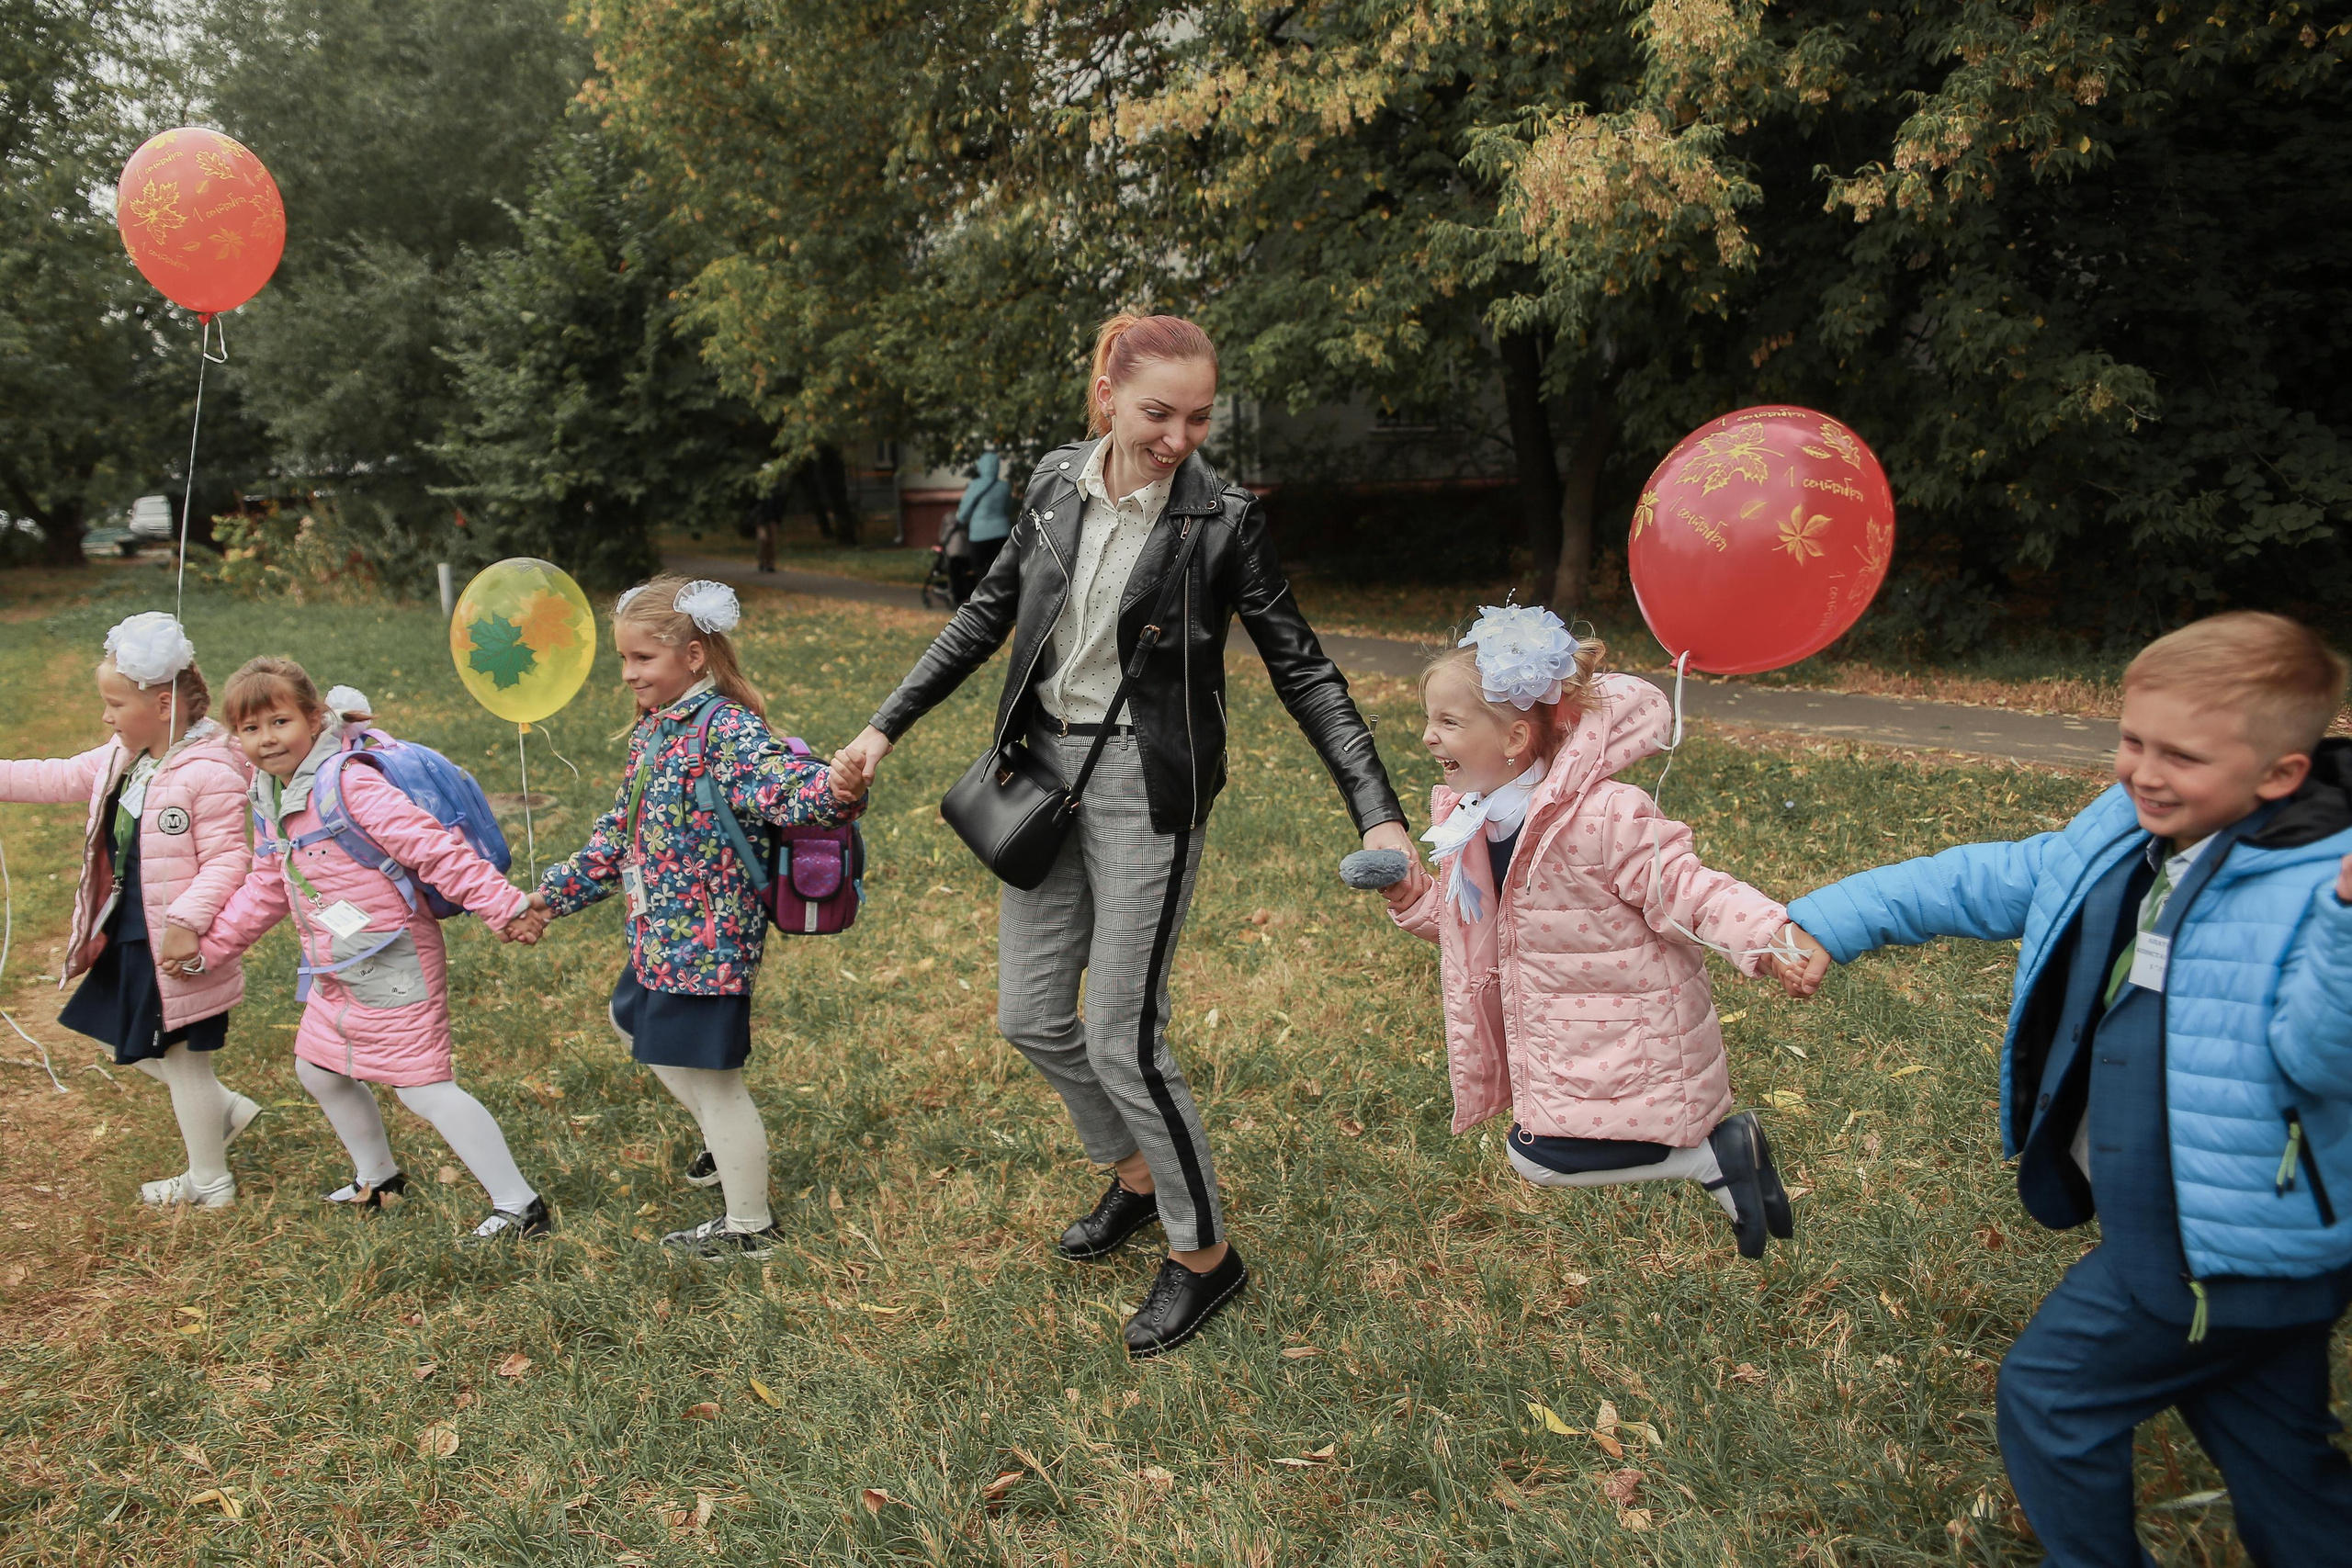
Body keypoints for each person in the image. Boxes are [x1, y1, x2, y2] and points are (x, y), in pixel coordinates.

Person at [831, 311, 1416, 1358]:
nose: (1179, 437)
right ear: (1106, 391)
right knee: (1027, 1016)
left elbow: (1305, 669)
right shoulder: (1056, 484)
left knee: (1121, 1034)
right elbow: (985, 616)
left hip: (1151, 786)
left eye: (1198, 417)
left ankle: (1204, 1257)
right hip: (1041, 772)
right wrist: (882, 729)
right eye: (1158, 412)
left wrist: (1379, 811)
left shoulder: (1221, 521)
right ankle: (1137, 1176)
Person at [1780, 612, 2352, 1567]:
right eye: (2131, 741)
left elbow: (2320, 1060)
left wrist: (2343, 924)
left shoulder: (2313, 889)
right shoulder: (2131, 829)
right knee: (2277, 1455)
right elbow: (2001, 878)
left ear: (2278, 776)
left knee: (2052, 1396)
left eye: (2183, 756)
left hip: (2216, 1248)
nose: (2144, 772)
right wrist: (1832, 918)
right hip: (2219, 1242)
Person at [1375, 607, 1795, 1255]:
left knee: (1534, 1156)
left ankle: (1716, 1156)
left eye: (1448, 722)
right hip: (1564, 1039)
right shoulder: (1477, 821)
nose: (1428, 737)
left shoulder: (1605, 815)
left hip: (1630, 1032)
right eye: (1428, 719)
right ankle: (1720, 1155)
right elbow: (1473, 929)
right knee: (1536, 1150)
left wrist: (1770, 933)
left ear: (1515, 739)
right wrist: (1412, 898)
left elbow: (1689, 888)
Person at [524, 575, 869, 1258]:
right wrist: (548, 897)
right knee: (629, 1018)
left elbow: (780, 786)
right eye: (623, 660)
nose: (628, 674)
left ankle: (750, 1227)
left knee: (718, 1085)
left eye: (642, 658)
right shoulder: (657, 731)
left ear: (693, 657)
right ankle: (722, 1144)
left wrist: (833, 787)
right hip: (663, 936)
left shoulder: (724, 728)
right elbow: (616, 835)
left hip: (708, 943)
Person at [193, 659, 551, 1241]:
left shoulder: (348, 783)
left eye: (279, 721)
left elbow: (434, 851)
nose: (266, 739)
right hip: (336, 959)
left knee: (423, 1086)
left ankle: (519, 1204)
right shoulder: (269, 796)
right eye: (251, 729)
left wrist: (504, 906)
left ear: (314, 718)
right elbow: (269, 883)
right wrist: (214, 947)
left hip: (394, 957)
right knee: (319, 1068)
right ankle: (379, 1179)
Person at [0, 614, 259, 1207]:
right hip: (132, 928)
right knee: (112, 1028)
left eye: (115, 703)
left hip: (174, 939)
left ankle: (210, 1180)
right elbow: (60, 775)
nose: (106, 715)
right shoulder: (129, 757)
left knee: (183, 1058)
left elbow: (228, 860)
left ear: (163, 704)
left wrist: (186, 925)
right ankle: (221, 1112)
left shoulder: (209, 770)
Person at [947, 451, 1012, 605]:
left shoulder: (975, 485)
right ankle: (1001, 596)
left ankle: (986, 596)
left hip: (979, 534)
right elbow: (1008, 508)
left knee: (977, 565)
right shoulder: (1004, 487)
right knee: (998, 566)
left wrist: (960, 519)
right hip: (1002, 531)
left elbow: (965, 509)